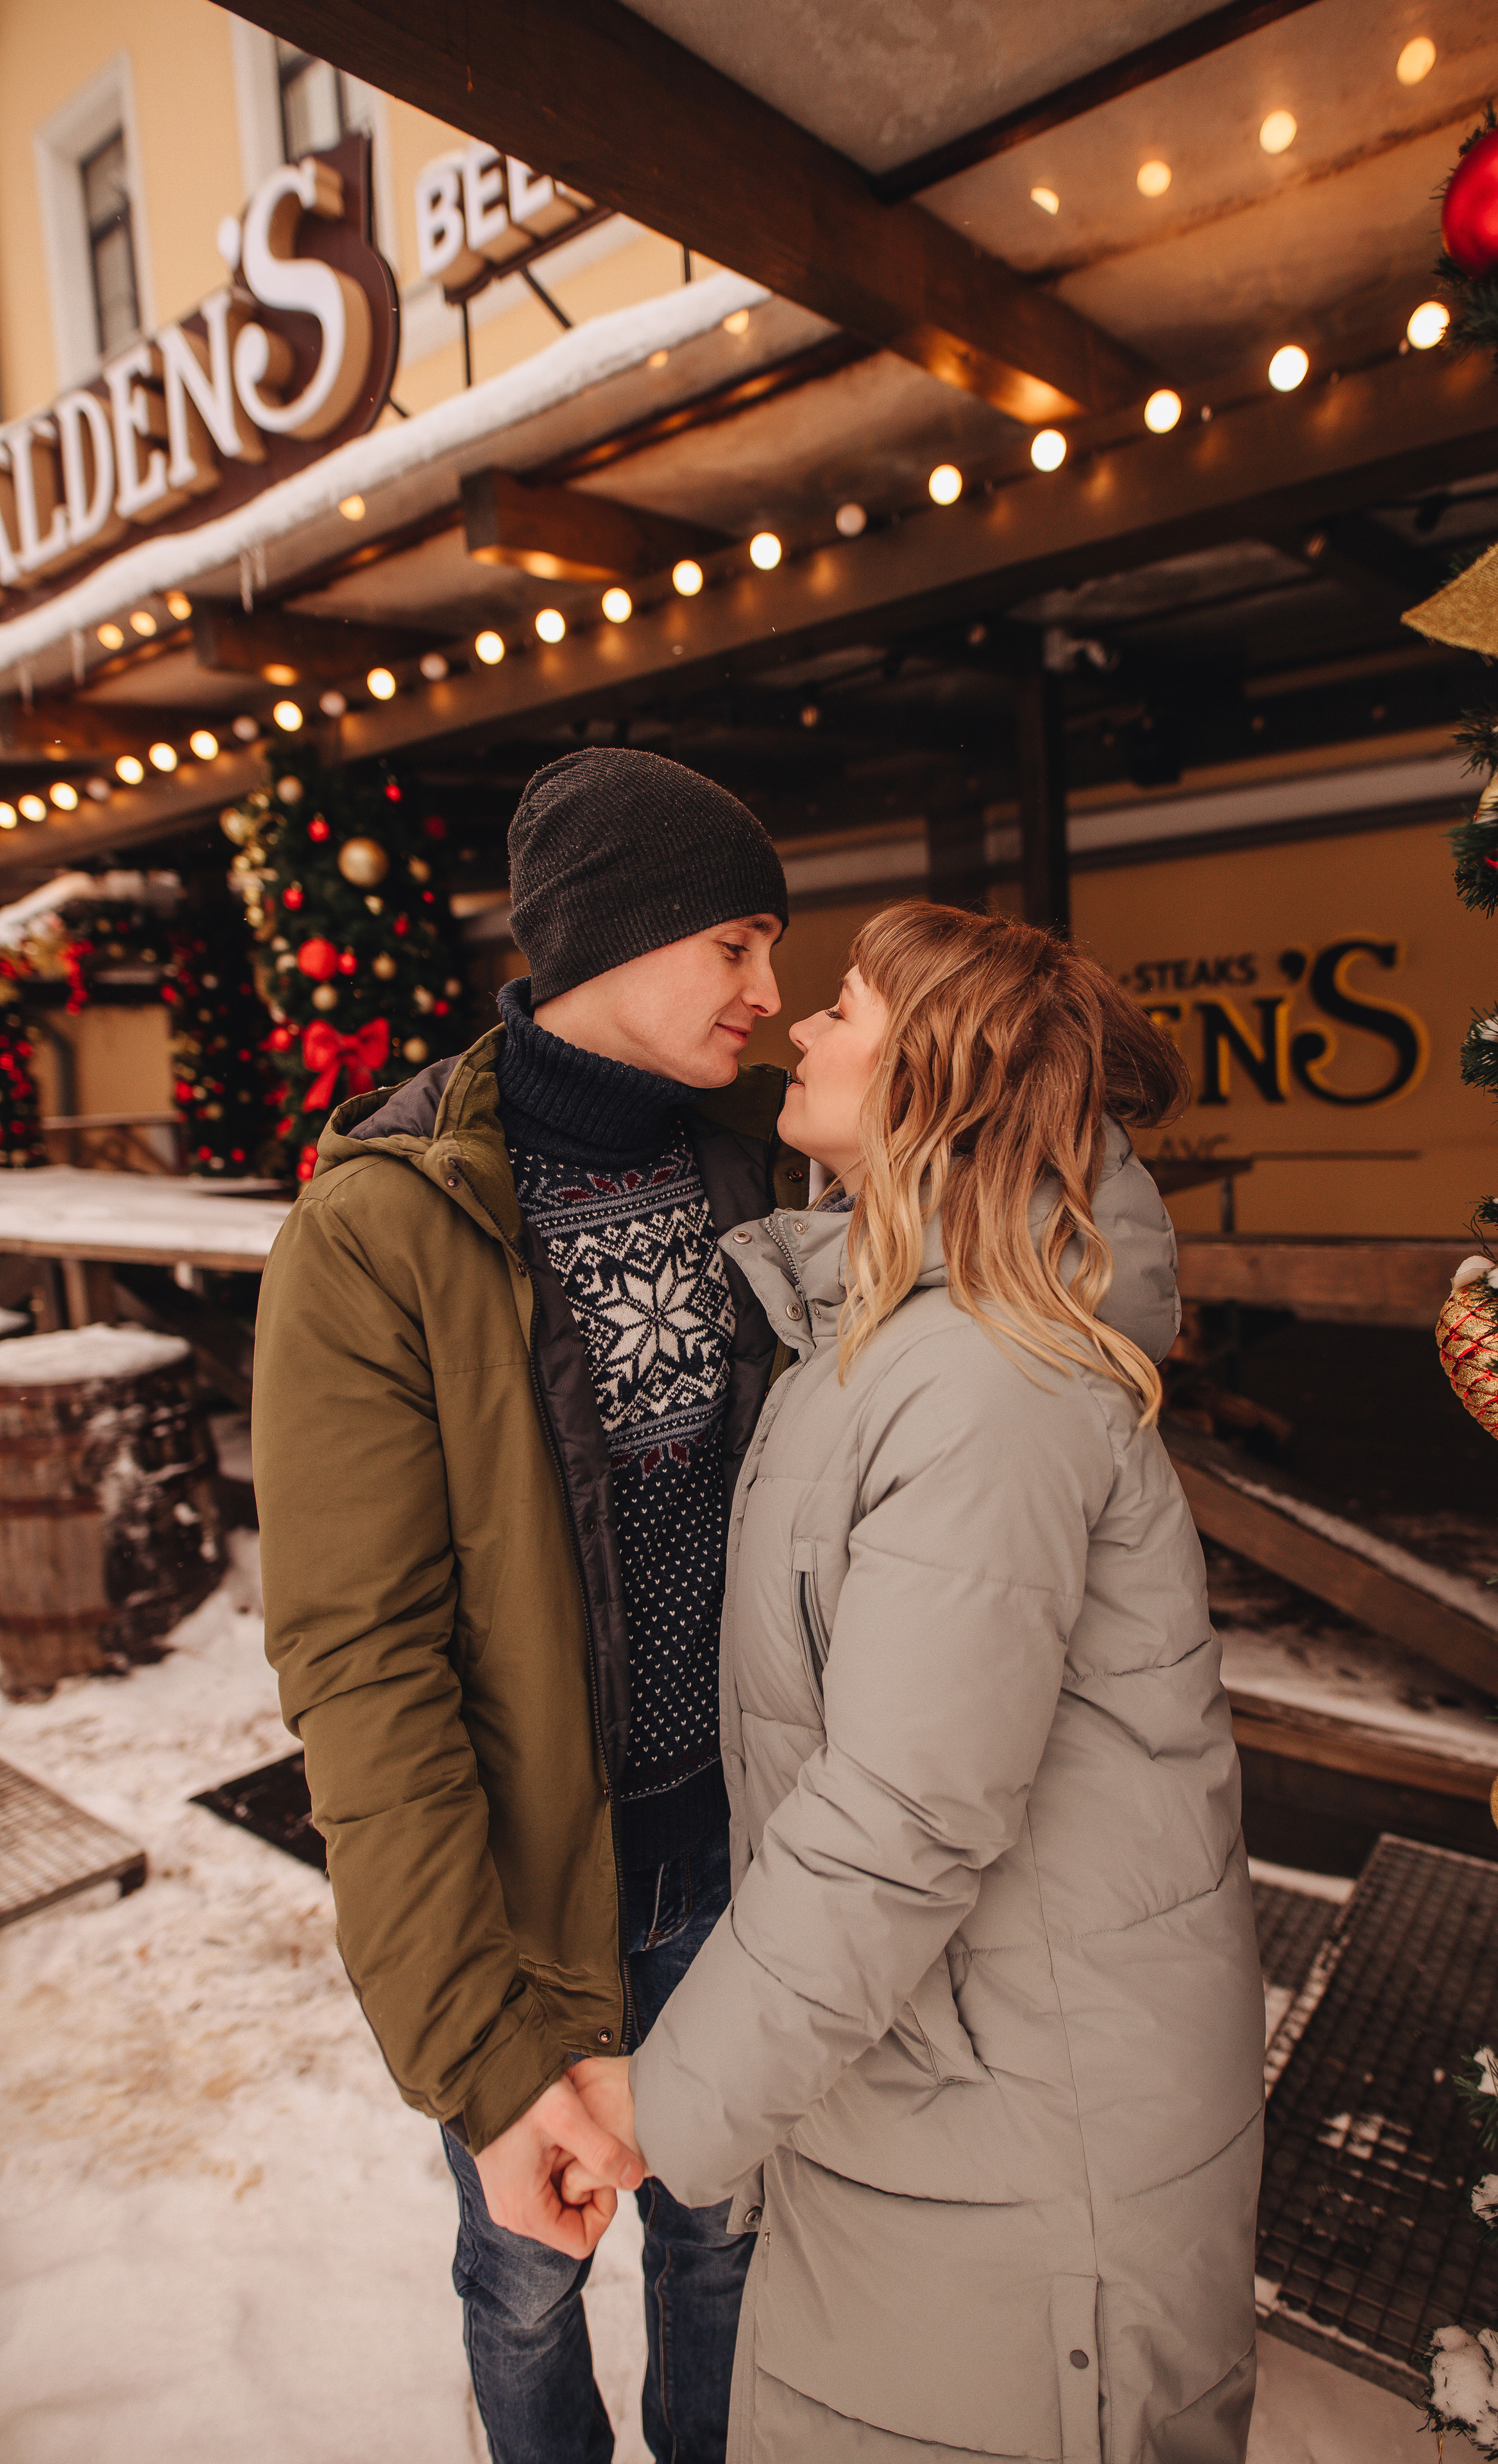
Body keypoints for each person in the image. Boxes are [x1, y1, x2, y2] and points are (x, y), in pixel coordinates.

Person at [561, 900, 1268, 2463]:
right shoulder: (886, 1345)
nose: (800, 1024)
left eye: (848, 1011)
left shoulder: (984, 1388)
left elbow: (899, 1814)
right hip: (940, 2102)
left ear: (933, 1082)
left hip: (1023, 2152)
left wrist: (655, 2113)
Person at [253, 746, 808, 2464]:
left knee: (725, 2251)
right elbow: (363, 1662)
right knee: (525, 2275)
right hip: (525, 1893)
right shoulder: (381, 1229)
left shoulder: (772, 1167)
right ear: (619, 943)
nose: (771, 992)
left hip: (744, 1861)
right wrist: (478, 2049)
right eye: (736, 945)